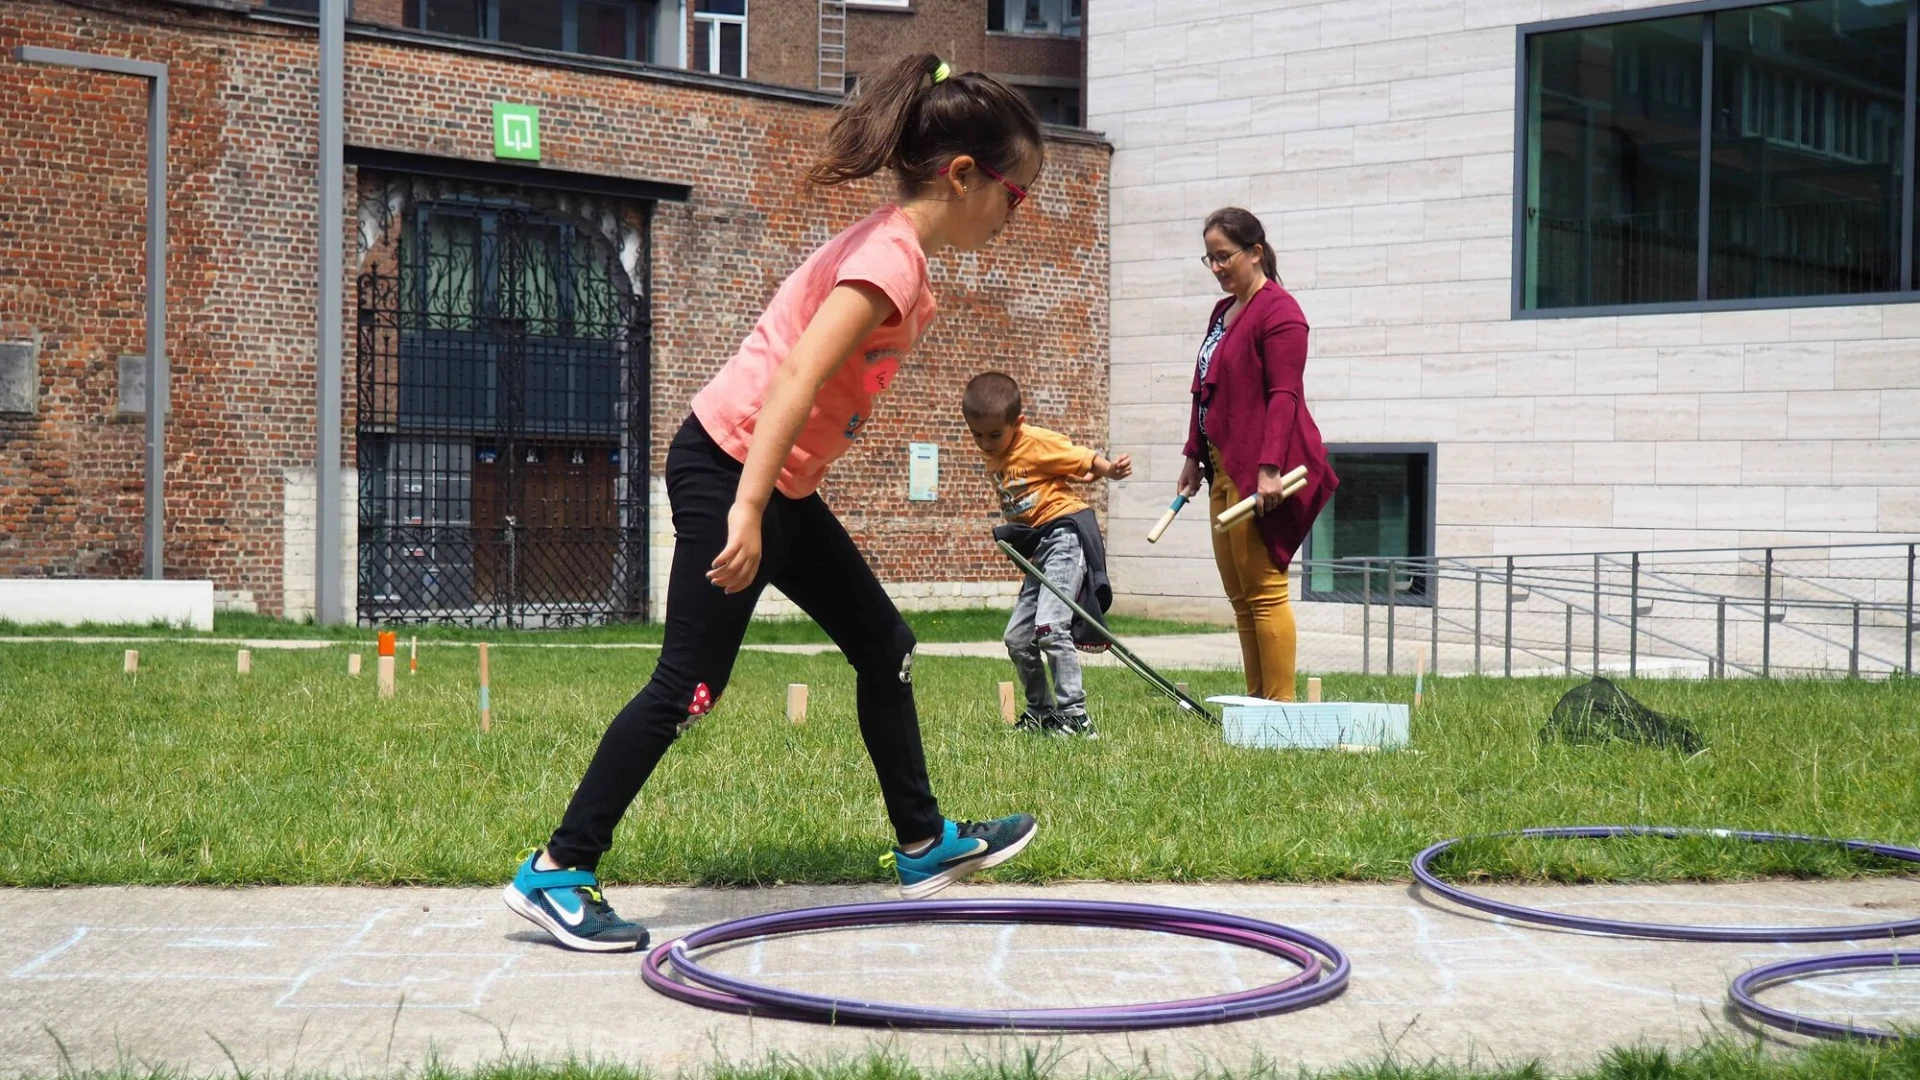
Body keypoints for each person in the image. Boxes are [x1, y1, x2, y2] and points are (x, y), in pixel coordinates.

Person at [503, 54, 1045, 953]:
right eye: (1014, 196)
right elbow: (795, 375)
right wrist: (748, 512)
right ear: (963, 177)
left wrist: (774, 496)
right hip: (733, 471)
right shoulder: (890, 262)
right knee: (688, 687)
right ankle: (558, 867)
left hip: (776, 482)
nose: (1013, 216)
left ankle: (922, 844)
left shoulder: (897, 252)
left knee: (886, 646)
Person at [1176, 208, 1337, 703]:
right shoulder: (1221, 314)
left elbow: (1283, 395)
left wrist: (1270, 469)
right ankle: (1257, 704)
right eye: (1210, 258)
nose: (1218, 267)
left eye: (1224, 256)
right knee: (1240, 597)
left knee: (1265, 590)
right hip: (1221, 466)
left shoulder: (1282, 313)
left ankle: (1281, 707)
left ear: (1255, 253)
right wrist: (1191, 455)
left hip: (1261, 470)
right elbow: (1205, 390)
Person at [962, 372, 1131, 739]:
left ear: (1017, 423)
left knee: (1051, 627)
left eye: (994, 435)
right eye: (977, 435)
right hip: (1038, 548)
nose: (986, 443)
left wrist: (1109, 471)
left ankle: (1076, 717)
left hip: (1063, 536)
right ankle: (1042, 713)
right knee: (1019, 639)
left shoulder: (1035, 441)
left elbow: (1078, 456)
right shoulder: (993, 447)